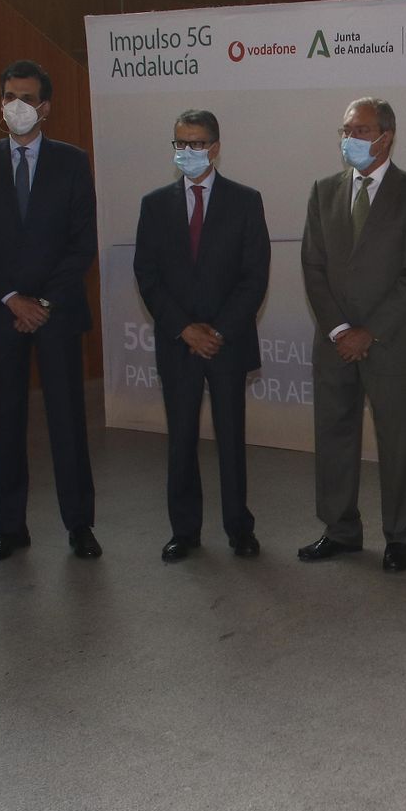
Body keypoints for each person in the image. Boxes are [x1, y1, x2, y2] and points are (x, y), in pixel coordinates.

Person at [0, 59, 101, 563]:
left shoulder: (71, 160)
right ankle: (10, 527)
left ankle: (79, 524)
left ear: (45, 107)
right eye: (8, 97)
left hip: (56, 312)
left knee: (67, 419)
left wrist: (42, 302)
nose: (16, 106)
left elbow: (83, 244)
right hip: (1, 312)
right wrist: (11, 299)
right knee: (6, 420)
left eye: (26, 98)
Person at [298, 97, 406, 572]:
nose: (351, 139)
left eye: (361, 131)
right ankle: (340, 529)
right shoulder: (323, 190)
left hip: (389, 342)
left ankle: (399, 536)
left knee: (397, 442)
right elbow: (312, 267)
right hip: (334, 341)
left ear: (386, 136)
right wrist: (340, 329)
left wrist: (368, 332)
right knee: (334, 437)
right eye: (345, 130)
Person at [133, 109, 270, 561]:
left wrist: (219, 331)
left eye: (195, 144)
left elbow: (254, 277)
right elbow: (147, 275)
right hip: (179, 344)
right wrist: (184, 329)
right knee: (182, 440)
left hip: (226, 343)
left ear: (214, 146)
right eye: (179, 144)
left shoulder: (246, 201)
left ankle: (239, 528)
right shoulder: (155, 204)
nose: (186, 152)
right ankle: (185, 531)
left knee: (231, 439)